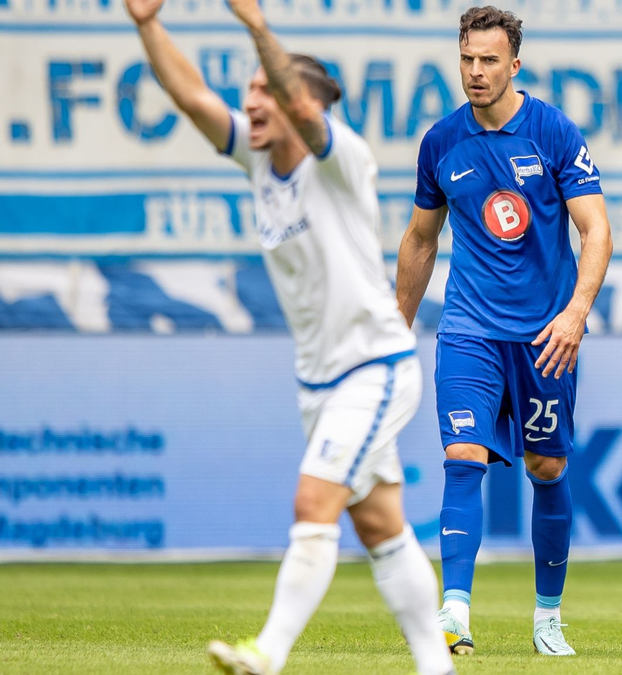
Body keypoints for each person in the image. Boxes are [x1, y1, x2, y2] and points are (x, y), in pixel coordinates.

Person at [122, 1, 455, 674]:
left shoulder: (342, 159)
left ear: (301, 102)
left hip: (375, 365)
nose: (251, 105)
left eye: (263, 92)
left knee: (313, 500)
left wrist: (258, 28)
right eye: (246, 94)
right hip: (322, 380)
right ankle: (436, 665)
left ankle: (267, 653)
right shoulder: (256, 159)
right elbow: (189, 94)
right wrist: (146, 25)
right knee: (382, 527)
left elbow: (304, 111)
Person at [394, 5, 613, 658]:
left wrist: (575, 312)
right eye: (466, 59)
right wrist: (390, 330)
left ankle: (548, 615)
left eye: (489, 60)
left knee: (548, 466)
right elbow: (420, 240)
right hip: (470, 329)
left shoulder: (552, 131)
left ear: (515, 64)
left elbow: (596, 230)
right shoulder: (441, 142)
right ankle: (454, 609)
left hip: (547, 336)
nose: (476, 71)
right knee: (462, 458)